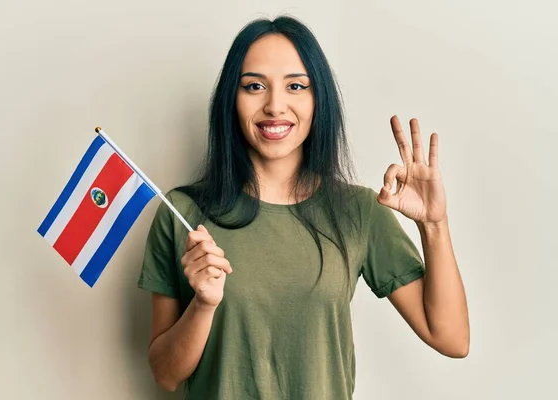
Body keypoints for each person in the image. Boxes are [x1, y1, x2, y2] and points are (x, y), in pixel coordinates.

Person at [137, 15, 469, 400]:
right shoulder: (182, 214)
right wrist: (203, 305)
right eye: (254, 86)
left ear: (318, 99)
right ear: (232, 98)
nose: (275, 105)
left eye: (296, 86)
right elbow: (165, 374)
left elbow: (452, 338)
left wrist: (435, 225)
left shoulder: (359, 210)